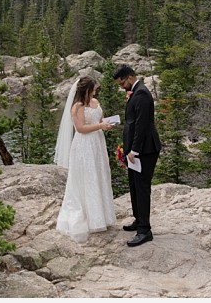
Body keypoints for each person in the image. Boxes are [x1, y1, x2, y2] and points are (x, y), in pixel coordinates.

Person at [54, 76, 117, 242]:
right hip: (84, 145)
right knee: (87, 178)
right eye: (93, 89)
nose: (95, 91)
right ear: (86, 90)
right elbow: (81, 128)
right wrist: (100, 126)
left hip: (97, 143)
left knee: (99, 174)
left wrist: (106, 123)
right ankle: (90, 218)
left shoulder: (95, 102)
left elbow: (98, 120)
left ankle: (103, 216)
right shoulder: (77, 106)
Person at [113, 64, 161, 247]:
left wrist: (134, 150)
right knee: (134, 185)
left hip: (145, 150)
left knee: (141, 188)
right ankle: (138, 219)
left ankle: (145, 230)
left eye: (122, 83)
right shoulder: (135, 92)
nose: (121, 87)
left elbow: (141, 125)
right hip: (135, 149)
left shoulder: (141, 93)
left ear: (130, 77)